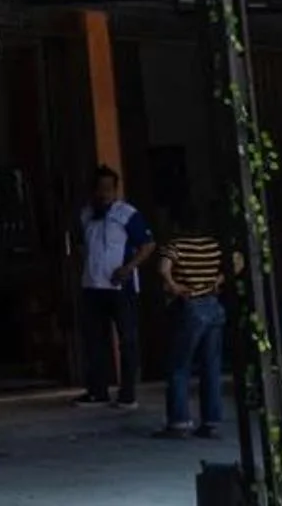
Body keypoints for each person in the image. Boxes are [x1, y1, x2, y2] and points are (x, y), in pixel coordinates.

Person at [71, 164, 154, 409]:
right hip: (92, 285)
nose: (104, 193)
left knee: (127, 340)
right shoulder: (86, 215)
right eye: (100, 188)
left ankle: (127, 393)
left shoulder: (127, 214)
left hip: (120, 288)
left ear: (115, 190)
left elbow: (148, 245)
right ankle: (98, 391)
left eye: (109, 188)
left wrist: (129, 268)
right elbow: (81, 246)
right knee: (94, 340)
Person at [155, 206, 229, 440]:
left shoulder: (175, 245)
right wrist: (218, 280)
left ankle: (179, 422)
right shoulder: (213, 245)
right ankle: (211, 422)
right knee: (211, 366)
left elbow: (163, 268)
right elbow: (237, 261)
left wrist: (174, 286)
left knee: (179, 366)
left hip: (190, 307)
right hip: (213, 306)